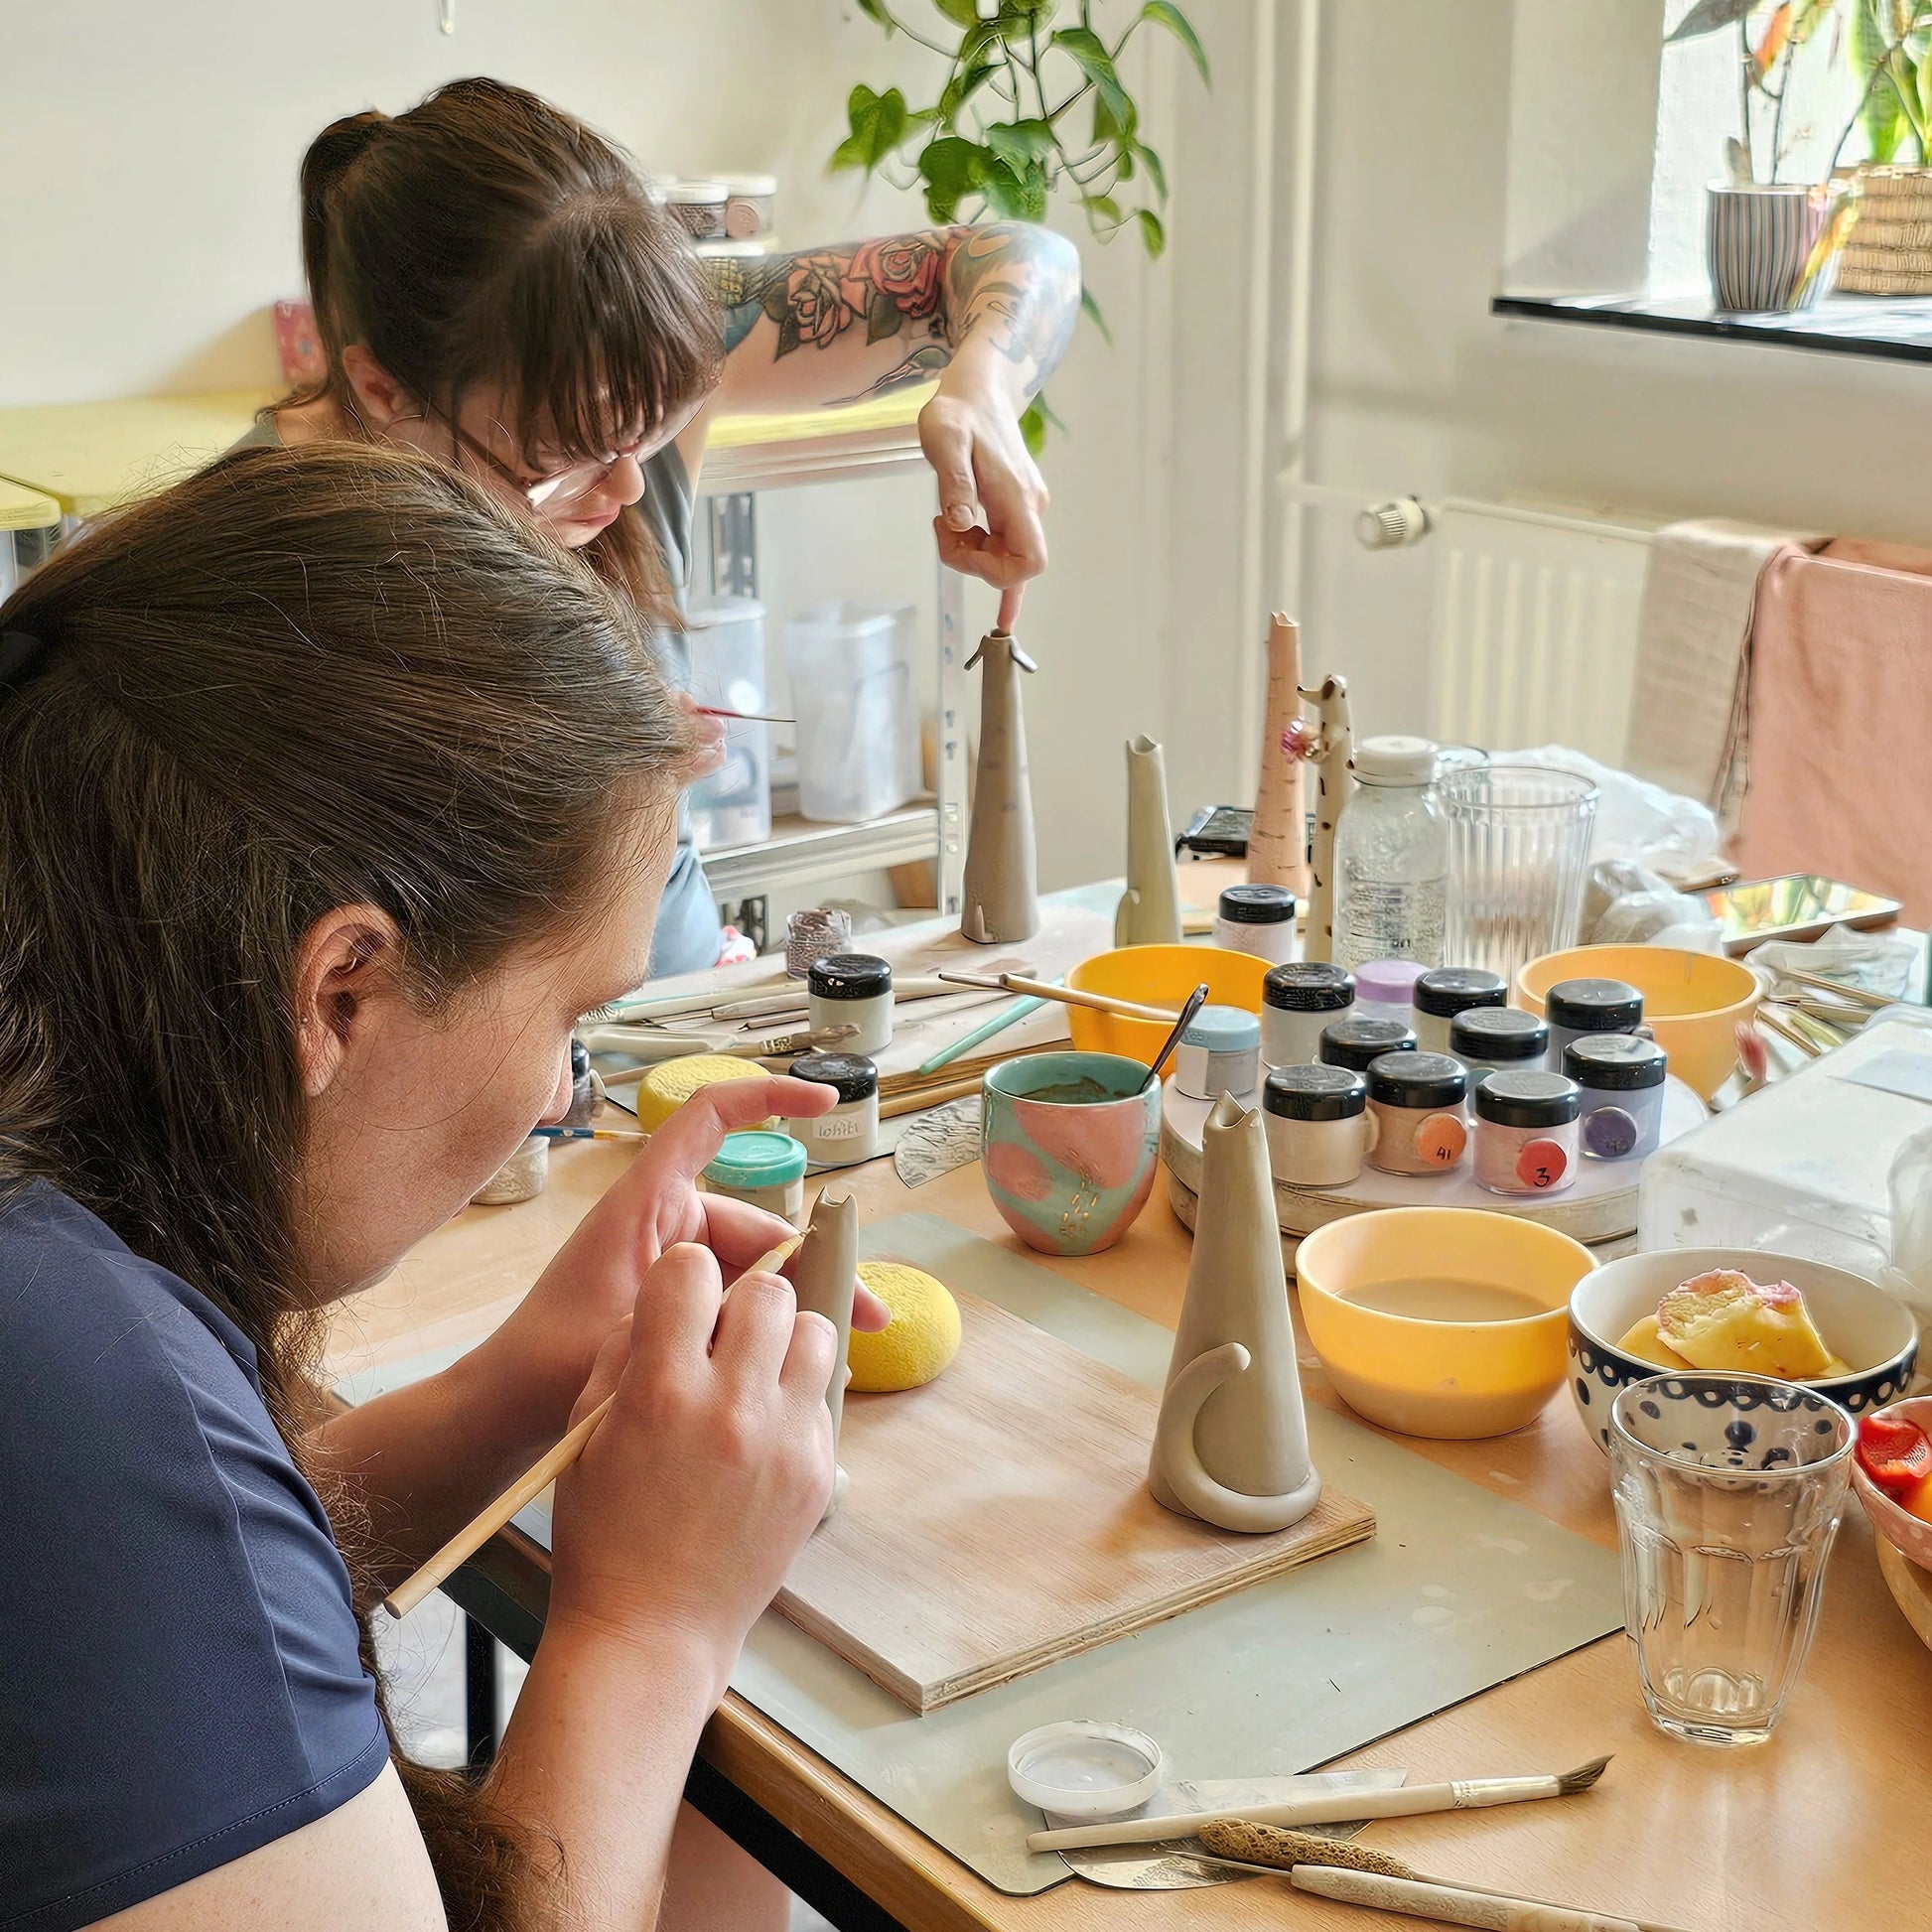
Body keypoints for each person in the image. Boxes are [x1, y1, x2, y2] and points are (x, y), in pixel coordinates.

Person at [0, 440, 891, 1932]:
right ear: (340, 988)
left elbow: (160, 1616)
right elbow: (169, 1547)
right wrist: (650, 1622)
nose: (560, 1095)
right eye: (570, 1019)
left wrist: (519, 1382)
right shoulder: (73, 1380)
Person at [259, 75, 1082, 975]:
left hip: (688, 1009)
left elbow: (1023, 256)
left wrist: (981, 390)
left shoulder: (639, 351)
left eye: (651, 428)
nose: (626, 483)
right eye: (561, 453)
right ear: (383, 391)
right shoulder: (259, 562)